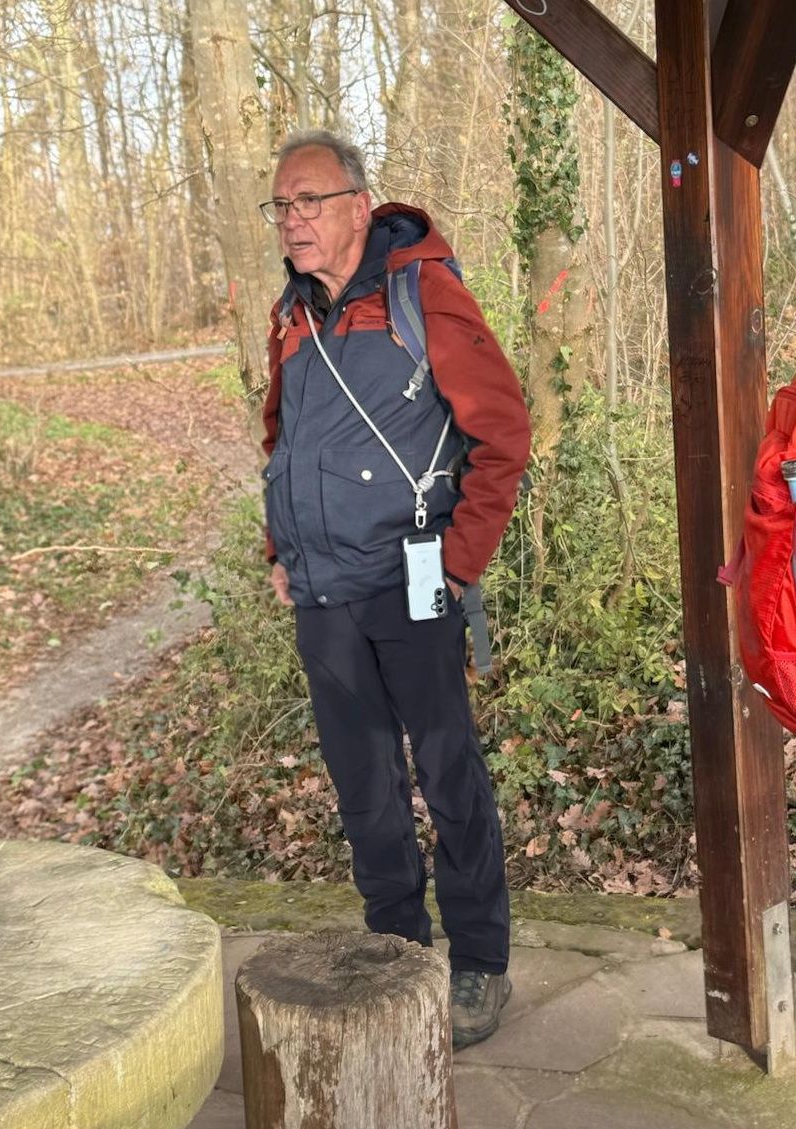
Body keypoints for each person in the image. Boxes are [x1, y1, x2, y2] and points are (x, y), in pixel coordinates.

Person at [259, 130, 531, 1049]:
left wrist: (456, 564)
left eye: (308, 201)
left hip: (412, 583)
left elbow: (503, 434)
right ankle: (396, 952)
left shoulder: (422, 295)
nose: (292, 220)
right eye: (281, 205)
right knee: (363, 787)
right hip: (322, 595)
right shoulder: (291, 317)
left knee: (448, 772)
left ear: (358, 206)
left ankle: (479, 961)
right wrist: (279, 546)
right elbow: (283, 442)